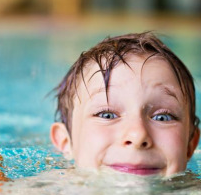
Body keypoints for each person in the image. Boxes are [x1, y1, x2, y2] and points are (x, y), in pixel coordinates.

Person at [50, 32, 200, 176]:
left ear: (190, 145)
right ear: (65, 141)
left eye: (162, 117)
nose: (138, 135)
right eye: (107, 115)